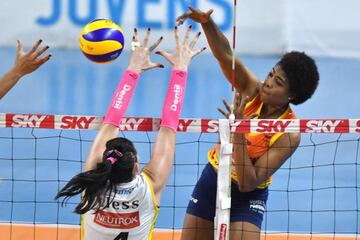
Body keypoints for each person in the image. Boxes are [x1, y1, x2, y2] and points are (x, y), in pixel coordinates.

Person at [177, 6, 319, 240]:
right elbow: (225, 56)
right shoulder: (252, 91)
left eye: (278, 82)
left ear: (291, 95)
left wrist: (239, 132)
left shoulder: (289, 133)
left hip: (248, 197)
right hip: (213, 178)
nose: (268, 82)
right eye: (272, 74)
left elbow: (248, 182)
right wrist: (207, 23)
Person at [55, 26, 205, 240]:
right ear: (136, 166)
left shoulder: (91, 184)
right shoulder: (149, 187)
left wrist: (134, 69)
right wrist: (179, 69)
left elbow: (111, 122)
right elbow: (170, 125)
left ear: (105, 161)